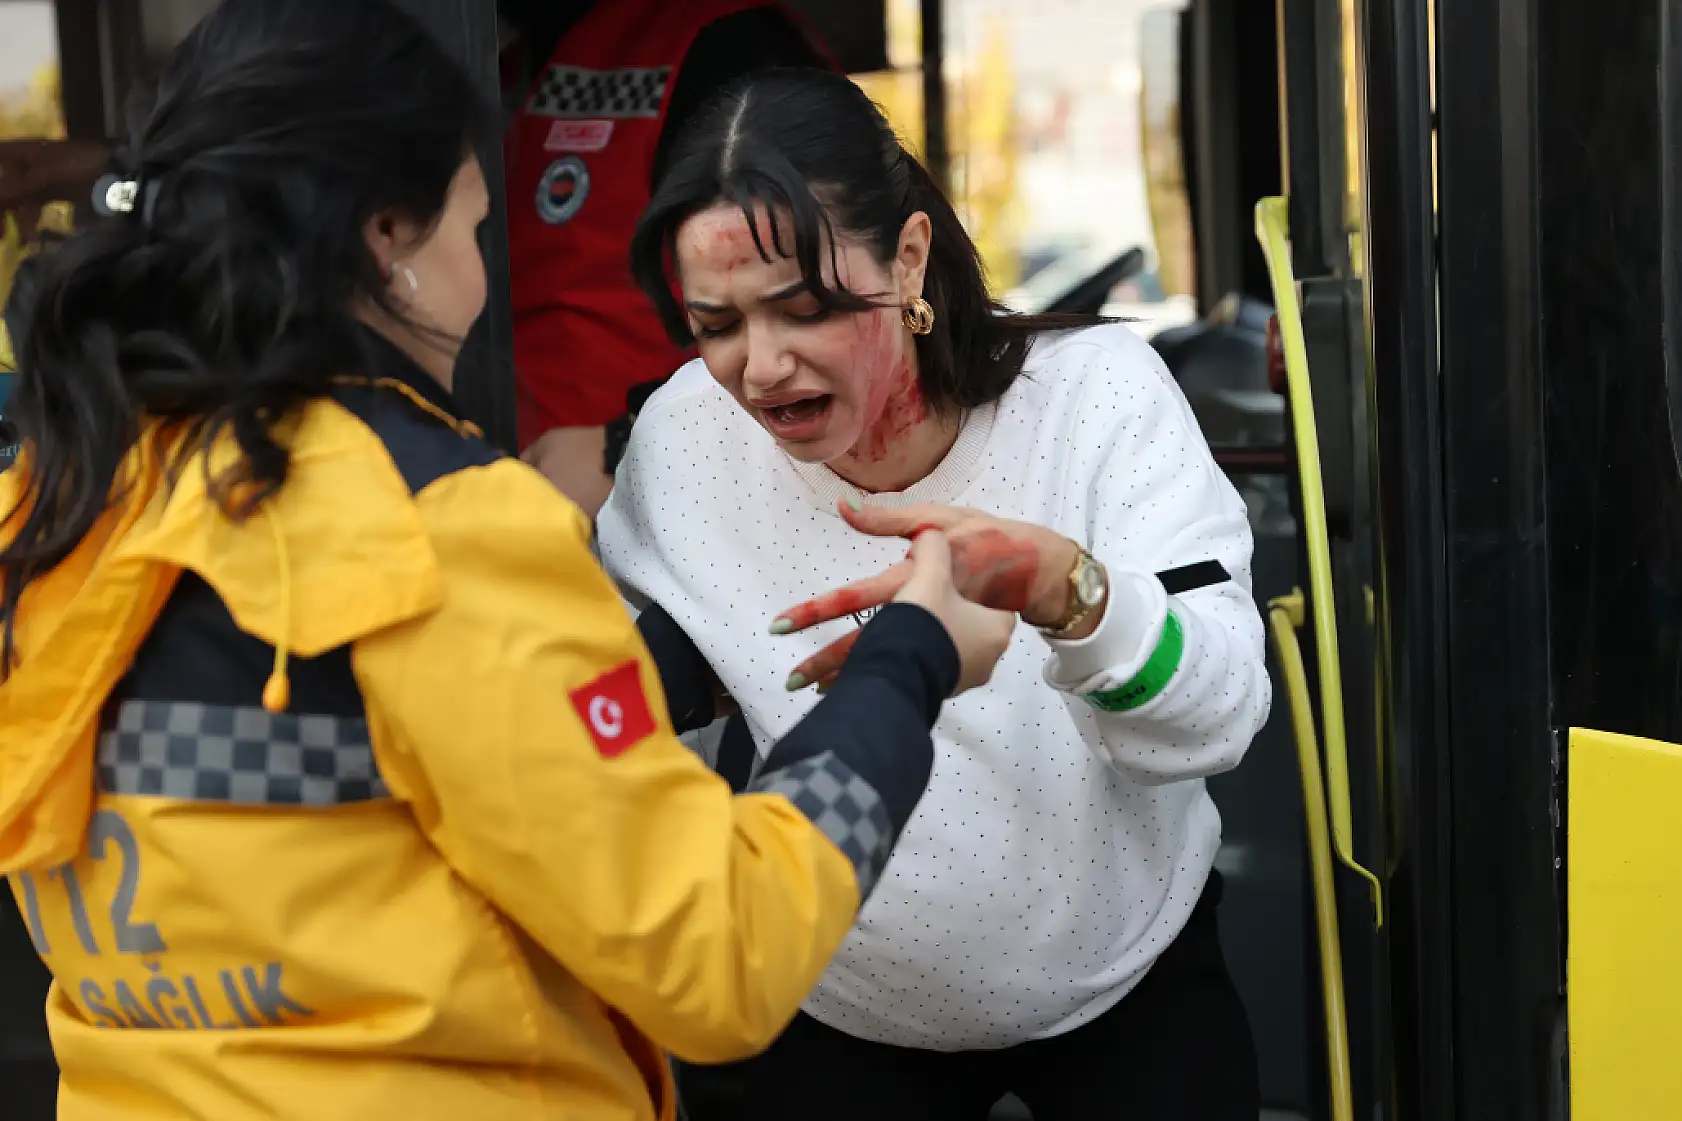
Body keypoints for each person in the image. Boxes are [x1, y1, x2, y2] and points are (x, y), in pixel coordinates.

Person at [0, 7, 1014, 1120]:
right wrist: (909, 657)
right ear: (390, 237)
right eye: (479, 227)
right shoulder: (439, 527)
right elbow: (718, 952)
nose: (487, 266)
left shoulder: (61, 504)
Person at [597, 68, 1272, 1120]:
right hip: (827, 1005)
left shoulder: (1094, 395)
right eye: (713, 323)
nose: (760, 368)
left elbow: (1217, 717)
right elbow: (629, 731)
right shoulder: (687, 435)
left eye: (803, 306)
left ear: (908, 257)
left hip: (1124, 980)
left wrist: (1066, 591)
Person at [499, 0, 833, 515]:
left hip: (662, 505)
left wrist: (623, 442)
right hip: (518, 498)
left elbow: (811, 327)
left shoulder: (719, 44)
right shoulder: (494, 47)